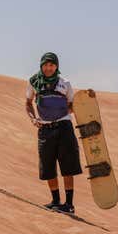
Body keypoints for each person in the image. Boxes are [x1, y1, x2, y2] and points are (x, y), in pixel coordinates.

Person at [25, 52, 86, 213]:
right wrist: (33, 119)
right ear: (41, 65)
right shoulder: (33, 82)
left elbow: (72, 105)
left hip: (64, 127)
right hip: (45, 129)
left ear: (56, 66)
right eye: (46, 65)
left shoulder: (65, 83)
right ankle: (55, 200)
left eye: (52, 65)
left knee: (67, 166)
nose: (48, 68)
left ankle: (69, 204)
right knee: (48, 166)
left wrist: (62, 111)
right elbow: (28, 103)